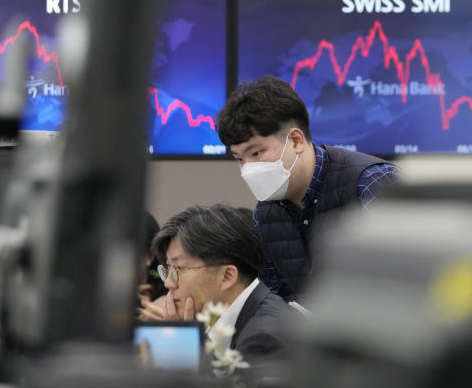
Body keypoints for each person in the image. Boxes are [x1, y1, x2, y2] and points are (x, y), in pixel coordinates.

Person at [216, 76, 398, 302]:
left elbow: (413, 279)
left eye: (256, 153)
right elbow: (274, 306)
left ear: (295, 140)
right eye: (239, 159)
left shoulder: (372, 182)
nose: (247, 169)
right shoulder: (264, 215)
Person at [138, 204, 294, 369]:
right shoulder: (236, 314)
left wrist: (182, 344)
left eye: (178, 269)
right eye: (167, 269)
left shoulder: (263, 338)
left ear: (227, 276)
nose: (168, 283)